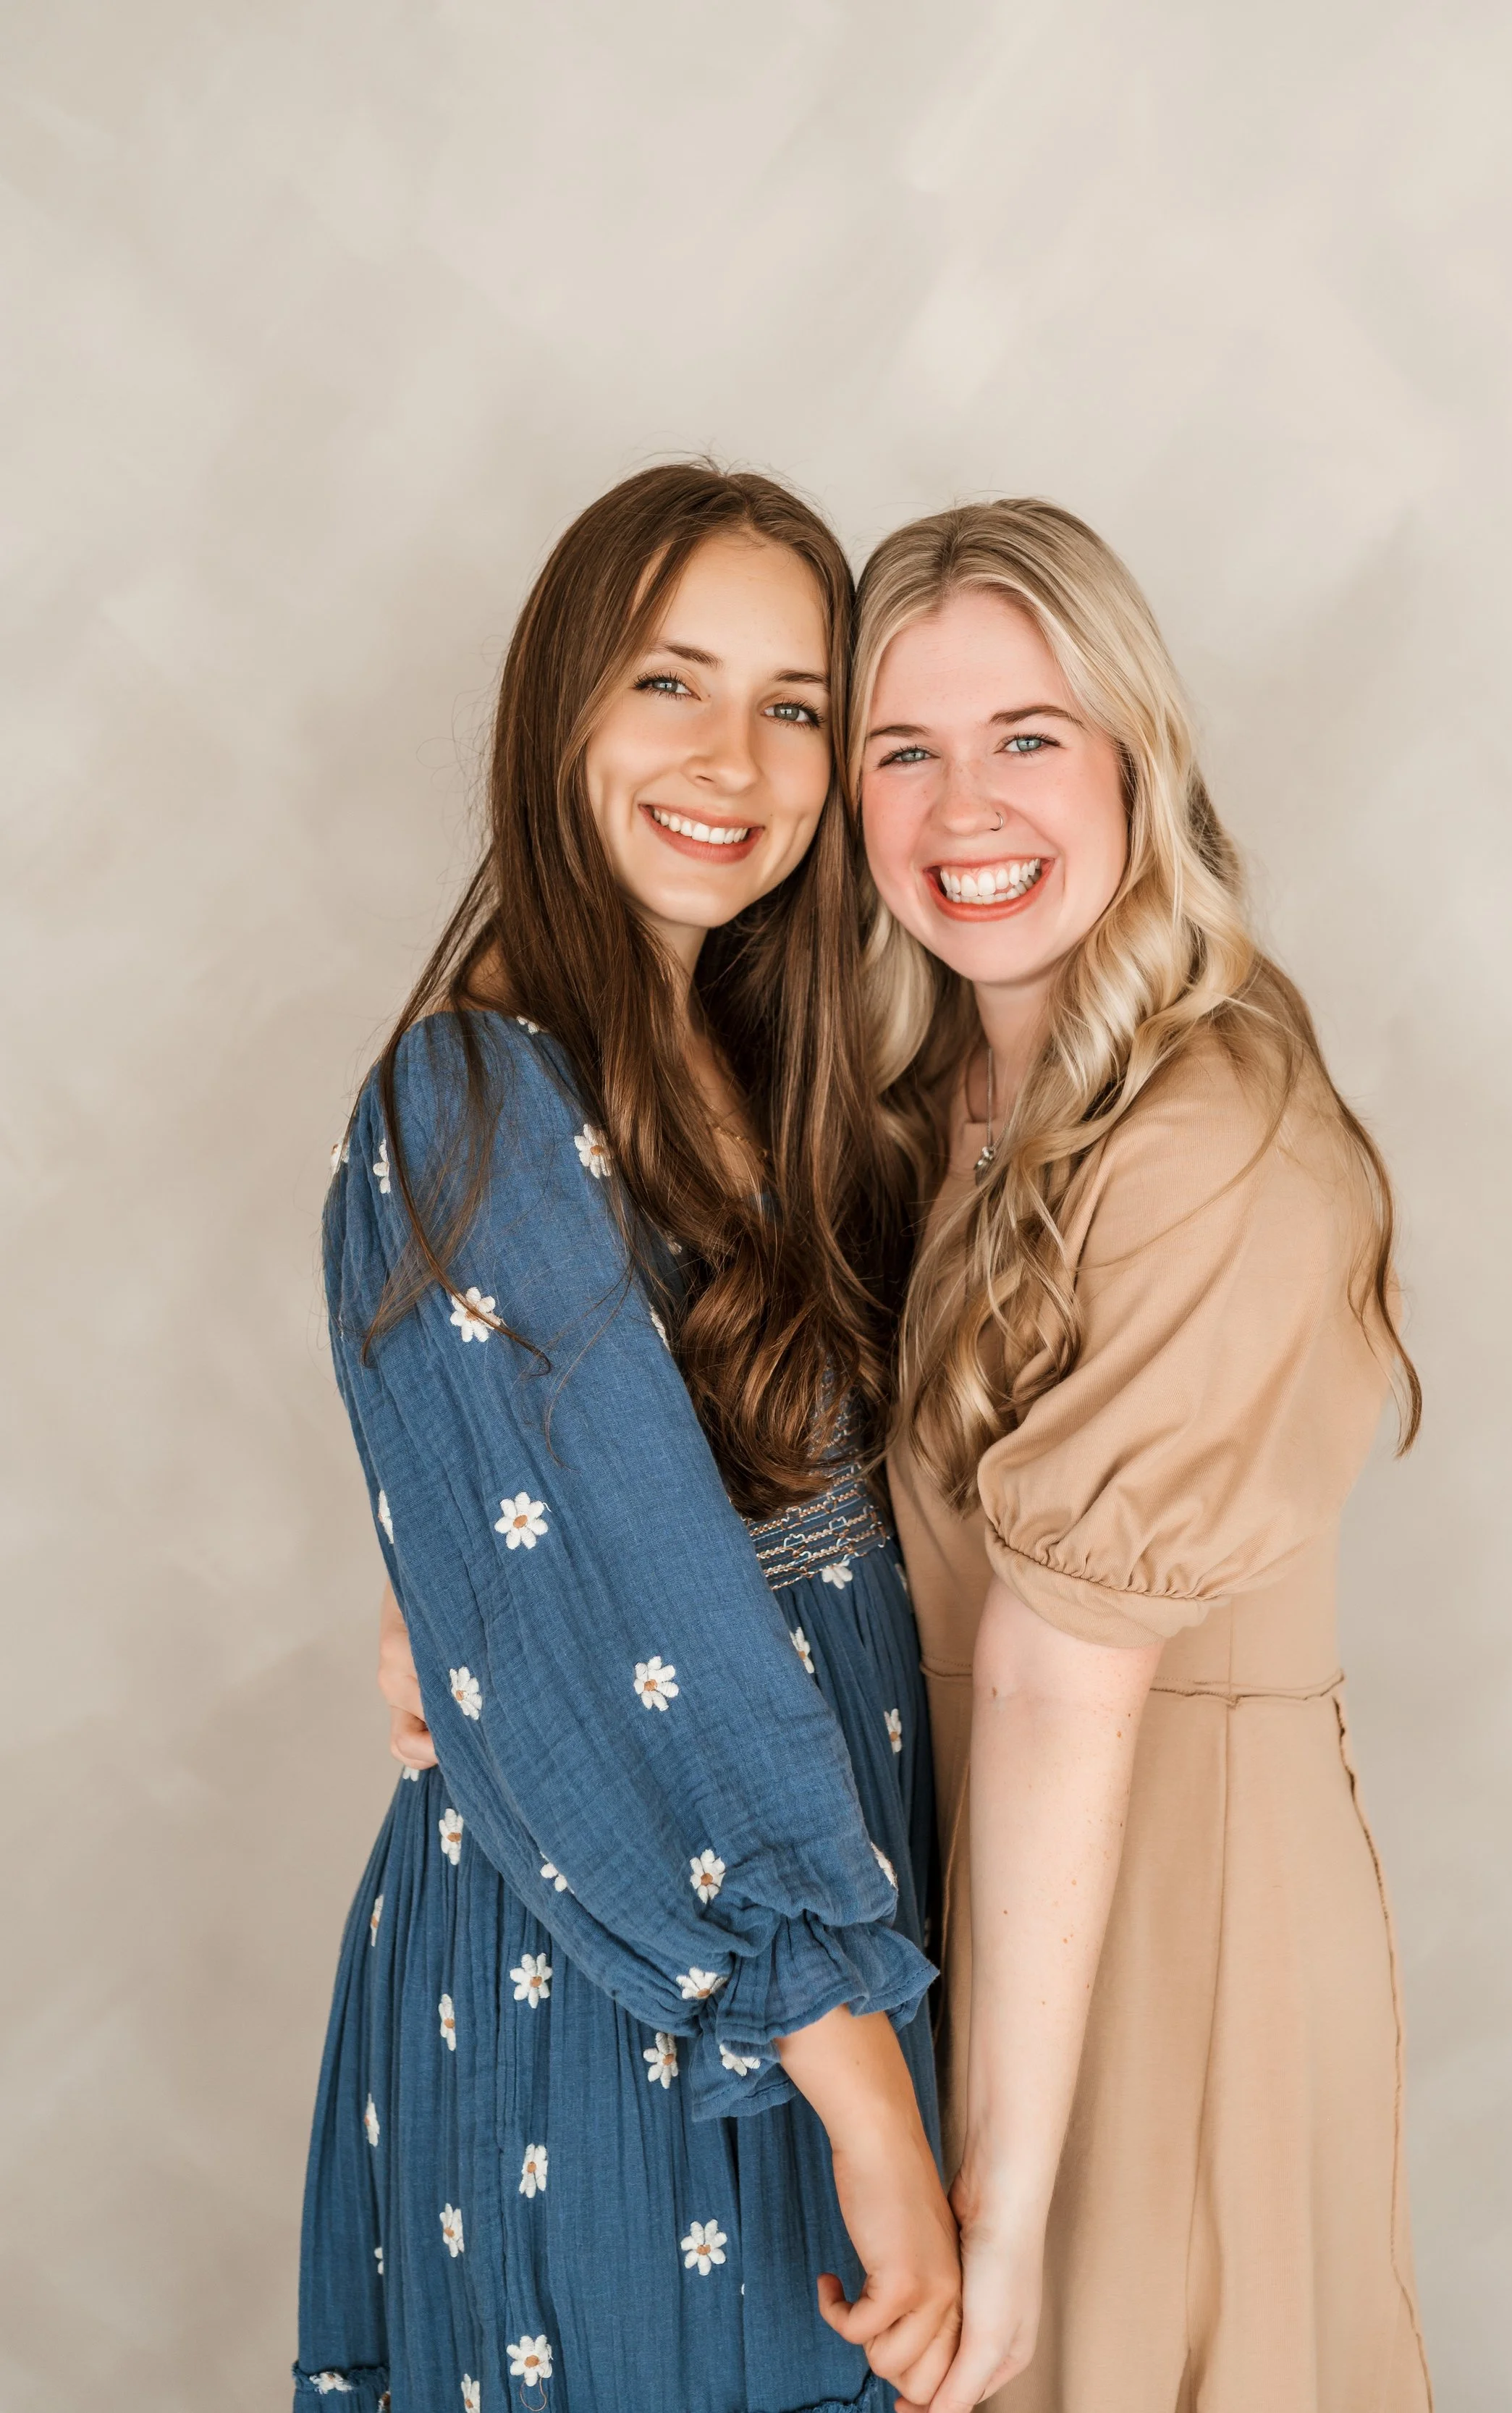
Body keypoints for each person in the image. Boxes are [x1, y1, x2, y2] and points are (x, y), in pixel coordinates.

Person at [295, 464, 960, 2413]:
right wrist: (867, 2097)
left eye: (795, 704)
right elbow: (618, 1593)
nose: (731, 757)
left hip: (810, 1949)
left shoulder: (774, 1069)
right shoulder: (472, 1088)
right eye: (669, 683)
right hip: (637, 1986)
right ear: (560, 708)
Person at [856, 500, 1434, 2412]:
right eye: (902, 748)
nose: (965, 805)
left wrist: (1001, 2191)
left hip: (1160, 1911)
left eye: (1024, 733)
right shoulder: (926, 1105)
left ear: (1132, 760)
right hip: (990, 1890)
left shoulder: (1211, 1132)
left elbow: (1050, 1671)